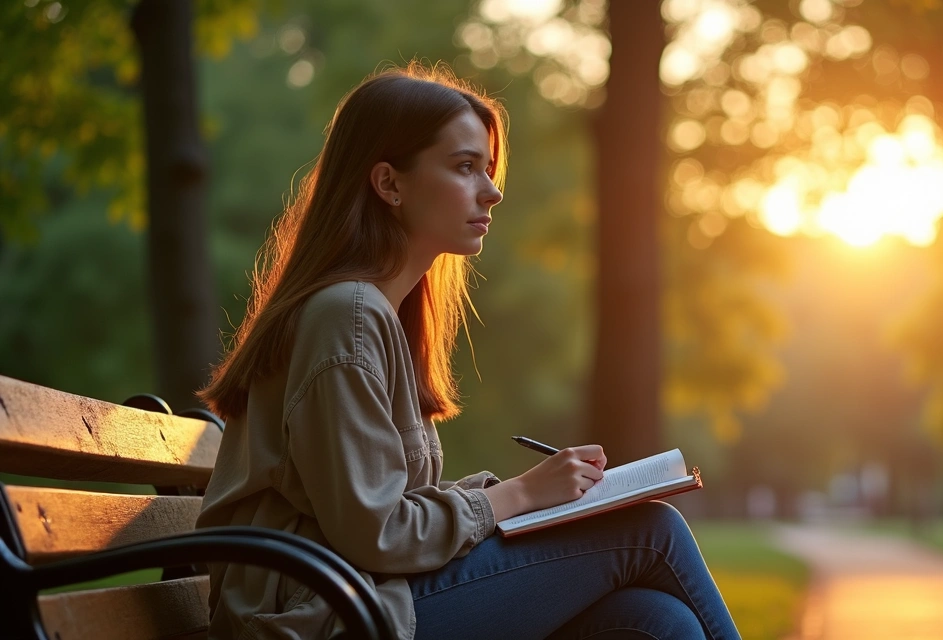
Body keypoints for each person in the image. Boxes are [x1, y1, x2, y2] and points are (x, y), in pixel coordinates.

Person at [195, 63, 740, 640]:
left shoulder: (371, 312)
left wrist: (520, 497)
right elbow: (375, 532)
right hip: (322, 618)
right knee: (651, 531)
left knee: (657, 620)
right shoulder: (346, 316)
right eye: (464, 167)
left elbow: (374, 514)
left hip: (359, 594)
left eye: (488, 169)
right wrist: (520, 494)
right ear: (389, 184)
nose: (492, 191)